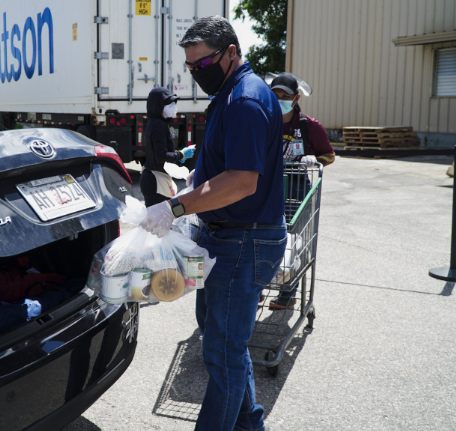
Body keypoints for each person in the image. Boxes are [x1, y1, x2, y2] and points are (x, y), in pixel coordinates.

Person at [139, 16, 285, 431]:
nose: (196, 73)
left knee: (222, 352)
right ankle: (249, 424)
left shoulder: (245, 99)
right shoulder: (230, 93)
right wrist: (197, 179)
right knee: (225, 345)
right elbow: (228, 166)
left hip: (243, 242)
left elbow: (241, 181)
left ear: (232, 53)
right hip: (229, 238)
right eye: (190, 67)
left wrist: (176, 207)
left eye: (203, 64)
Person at [267, 72, 335, 310]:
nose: (279, 100)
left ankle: (288, 293)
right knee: (264, 238)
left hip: (296, 190)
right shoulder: (264, 120)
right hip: (267, 187)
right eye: (274, 95)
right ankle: (256, 290)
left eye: (284, 96)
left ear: (296, 98)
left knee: (293, 241)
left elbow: (329, 155)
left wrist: (313, 159)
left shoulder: (308, 126)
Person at [140, 87, 196, 207]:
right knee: (160, 222)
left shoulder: (155, 122)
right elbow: (161, 156)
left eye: (173, 103)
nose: (173, 107)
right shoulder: (158, 125)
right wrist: (181, 154)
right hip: (155, 181)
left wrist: (178, 154)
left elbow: (160, 151)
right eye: (168, 104)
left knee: (157, 222)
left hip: (153, 178)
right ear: (158, 106)